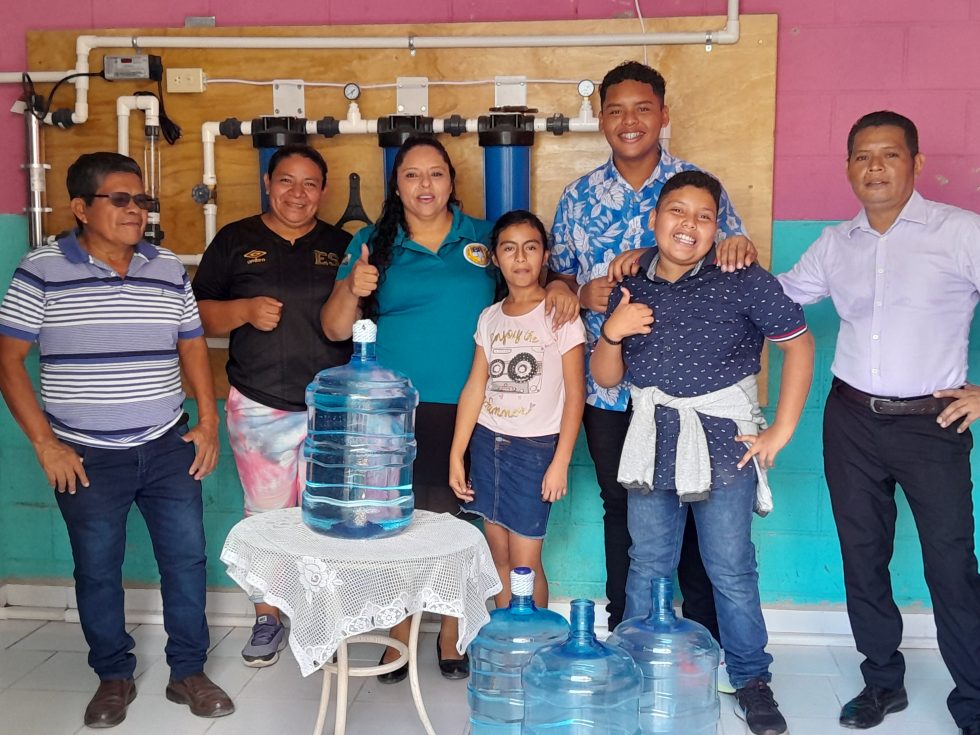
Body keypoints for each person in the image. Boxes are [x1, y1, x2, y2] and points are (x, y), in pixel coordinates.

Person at [321, 136, 578, 683]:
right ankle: (398, 631)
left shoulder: (482, 236)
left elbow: (526, 270)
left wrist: (560, 286)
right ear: (396, 185)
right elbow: (336, 329)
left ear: (451, 182)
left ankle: (451, 631)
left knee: (460, 528)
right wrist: (352, 287)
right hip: (392, 411)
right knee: (399, 525)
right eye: (412, 175)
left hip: (474, 410)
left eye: (436, 173)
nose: (425, 185)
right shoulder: (372, 242)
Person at [0, 152, 234, 728]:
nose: (136, 211)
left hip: (166, 445)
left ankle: (188, 672)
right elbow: (9, 361)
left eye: (142, 200)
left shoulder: (166, 267)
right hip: (84, 455)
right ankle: (113, 676)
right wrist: (46, 444)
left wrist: (207, 421)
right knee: (97, 569)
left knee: (186, 560)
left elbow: (191, 344)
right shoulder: (42, 269)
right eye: (121, 199)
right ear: (81, 208)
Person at [776, 111, 980, 735]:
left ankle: (974, 699)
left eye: (889, 154)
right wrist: (720, 261)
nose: (875, 167)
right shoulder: (836, 244)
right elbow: (778, 299)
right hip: (851, 423)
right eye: (863, 156)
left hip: (932, 423)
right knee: (863, 556)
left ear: (916, 163)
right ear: (847, 168)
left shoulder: (960, 232)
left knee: (951, 563)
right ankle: (882, 683)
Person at [590, 170, 814, 735]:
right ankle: (636, 669)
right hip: (651, 442)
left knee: (730, 568)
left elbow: (800, 345)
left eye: (704, 216)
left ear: (718, 227)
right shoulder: (631, 284)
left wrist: (779, 431)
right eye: (677, 211)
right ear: (653, 219)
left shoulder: (742, 278)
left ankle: (751, 679)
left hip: (724, 446)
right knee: (648, 563)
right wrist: (612, 331)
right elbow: (607, 378)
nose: (688, 225)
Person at [548, 60, 747, 640]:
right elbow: (558, 278)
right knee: (622, 506)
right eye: (615, 110)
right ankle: (628, 630)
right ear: (600, 118)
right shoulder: (579, 197)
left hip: (695, 388)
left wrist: (741, 244)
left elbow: (733, 254)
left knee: (698, 505)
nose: (629, 121)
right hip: (609, 387)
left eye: (642, 109)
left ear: (663, 114)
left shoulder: (695, 185)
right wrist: (578, 293)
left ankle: (704, 634)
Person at [192, 144, 352, 668]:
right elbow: (195, 316)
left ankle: (321, 616)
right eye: (286, 181)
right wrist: (241, 309)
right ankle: (267, 615)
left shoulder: (341, 245)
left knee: (328, 513)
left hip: (333, 405)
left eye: (310, 184)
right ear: (268, 183)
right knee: (266, 516)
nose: (297, 193)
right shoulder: (235, 240)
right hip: (259, 402)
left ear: (323, 191)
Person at [449, 210, 586, 609]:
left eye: (531, 248)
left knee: (525, 565)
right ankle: (507, 637)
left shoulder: (560, 314)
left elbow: (575, 394)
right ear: (495, 258)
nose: (521, 258)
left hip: (534, 451)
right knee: (500, 558)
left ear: (545, 256)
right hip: (486, 444)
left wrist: (560, 462)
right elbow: (475, 387)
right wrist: (458, 453)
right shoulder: (489, 317)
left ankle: (535, 639)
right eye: (509, 249)